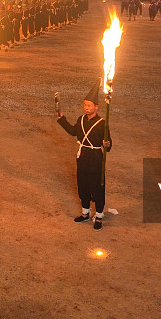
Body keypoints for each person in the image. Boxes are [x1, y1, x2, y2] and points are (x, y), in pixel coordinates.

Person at [56, 82, 112, 231]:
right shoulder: (80, 120)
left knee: (97, 188)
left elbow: (108, 143)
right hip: (82, 159)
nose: (86, 108)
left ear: (97, 107)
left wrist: (107, 144)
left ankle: (99, 216)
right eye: (85, 105)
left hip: (96, 159)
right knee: (83, 187)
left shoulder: (102, 124)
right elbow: (73, 132)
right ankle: (85, 213)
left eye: (89, 105)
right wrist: (62, 119)